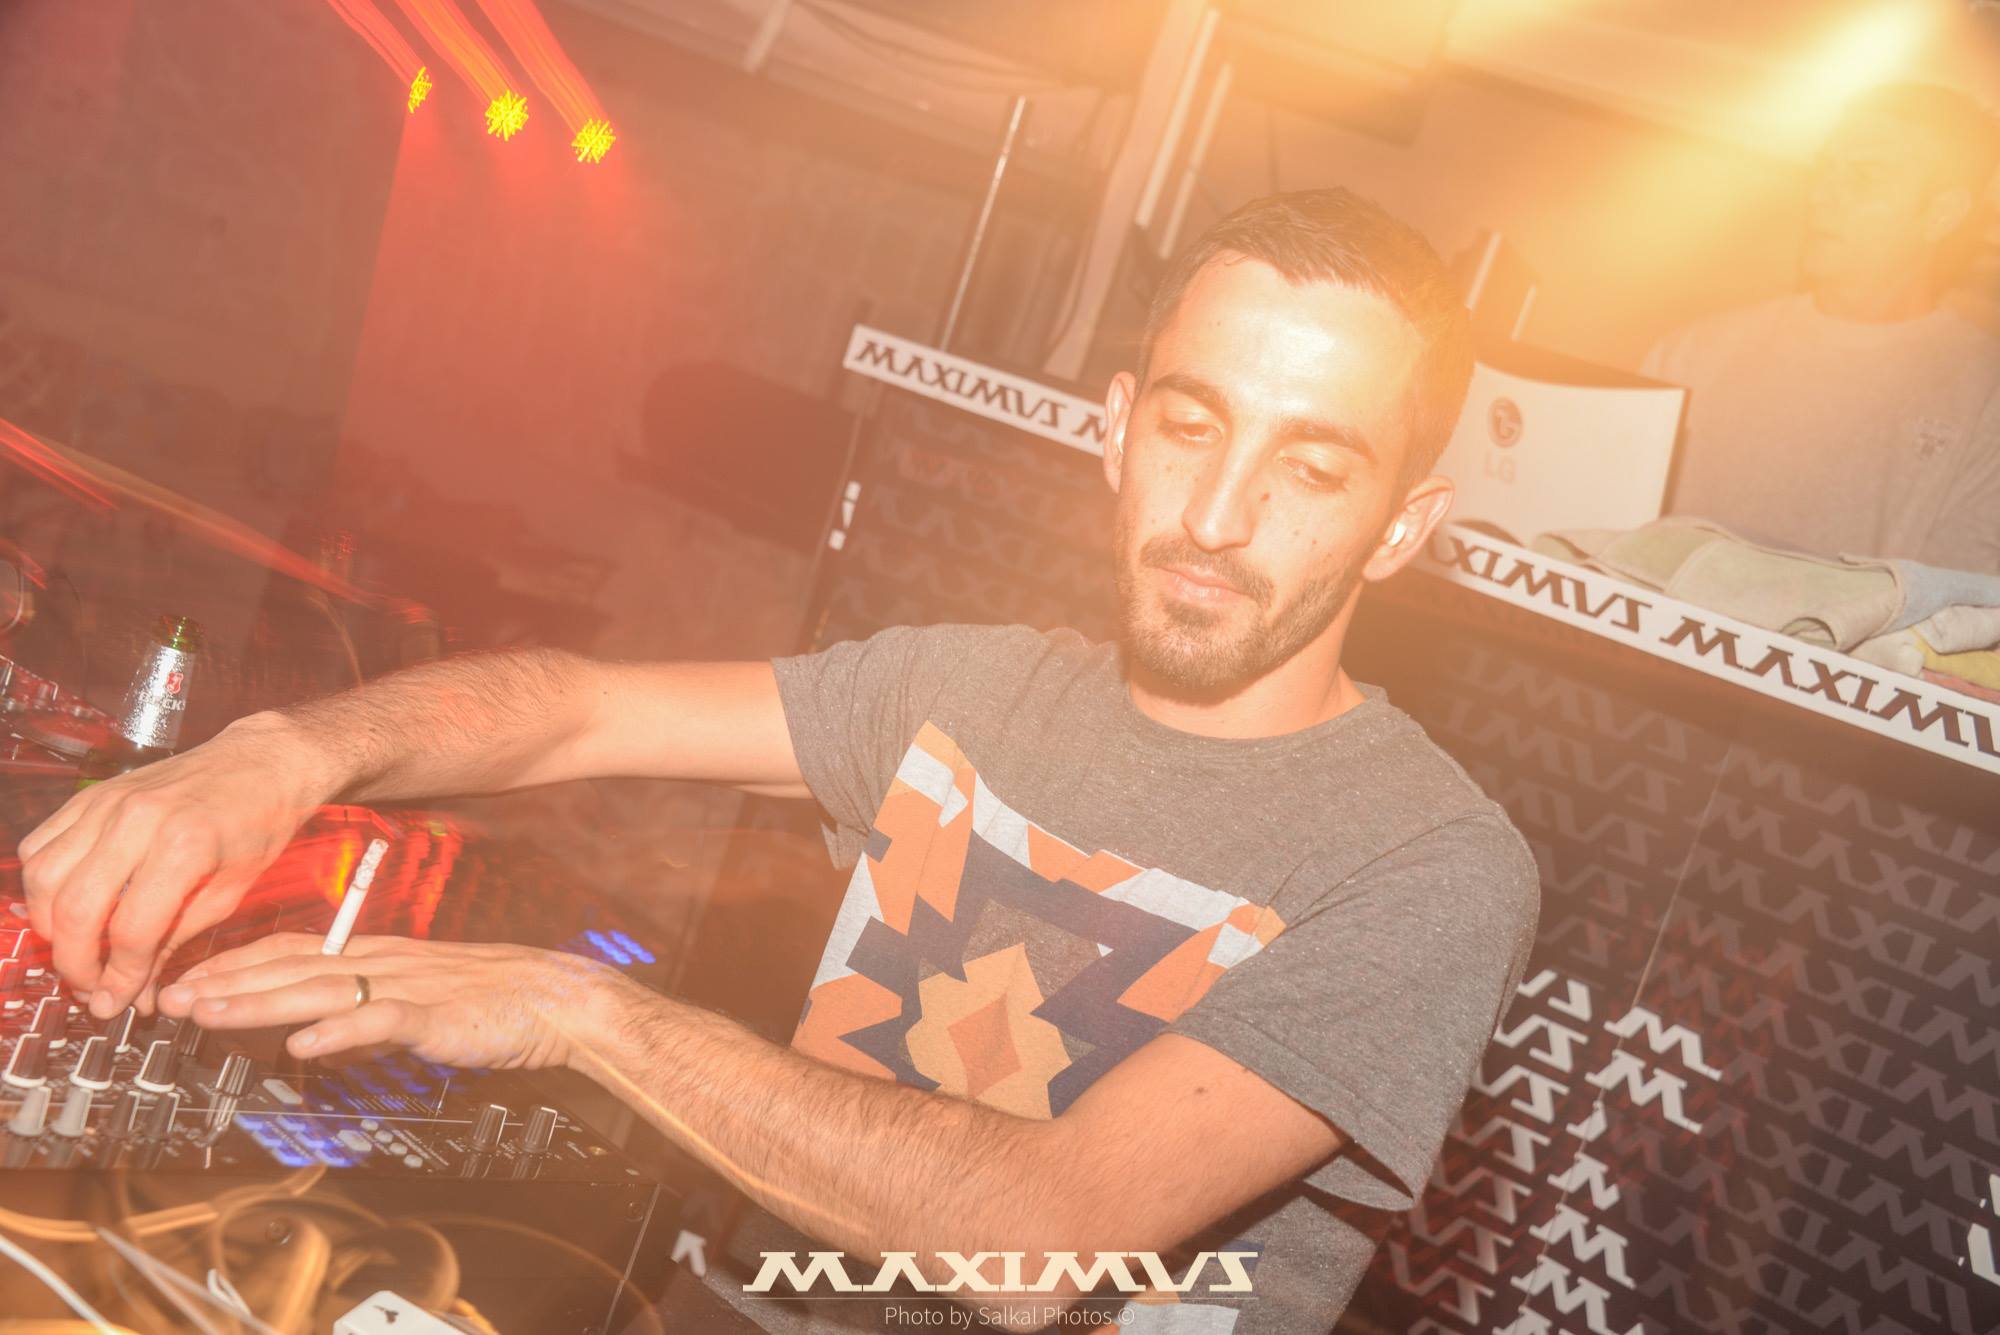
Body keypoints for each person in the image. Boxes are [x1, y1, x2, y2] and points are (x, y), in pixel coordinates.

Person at [16, 189, 1540, 1333]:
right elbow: (577, 707)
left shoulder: (1425, 863)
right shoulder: (964, 689)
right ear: (1116, 429)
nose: (1216, 514)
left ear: (1402, 526)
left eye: (1310, 467)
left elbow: (1038, 1240)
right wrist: (284, 751)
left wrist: (583, 1011)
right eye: (1193, 427)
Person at [1644, 82, 2000, 571]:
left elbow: (1957, 599)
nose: (1820, 196)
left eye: (1865, 177)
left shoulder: (1985, 396)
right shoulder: (1693, 354)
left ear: (1940, 214)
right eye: (1823, 170)